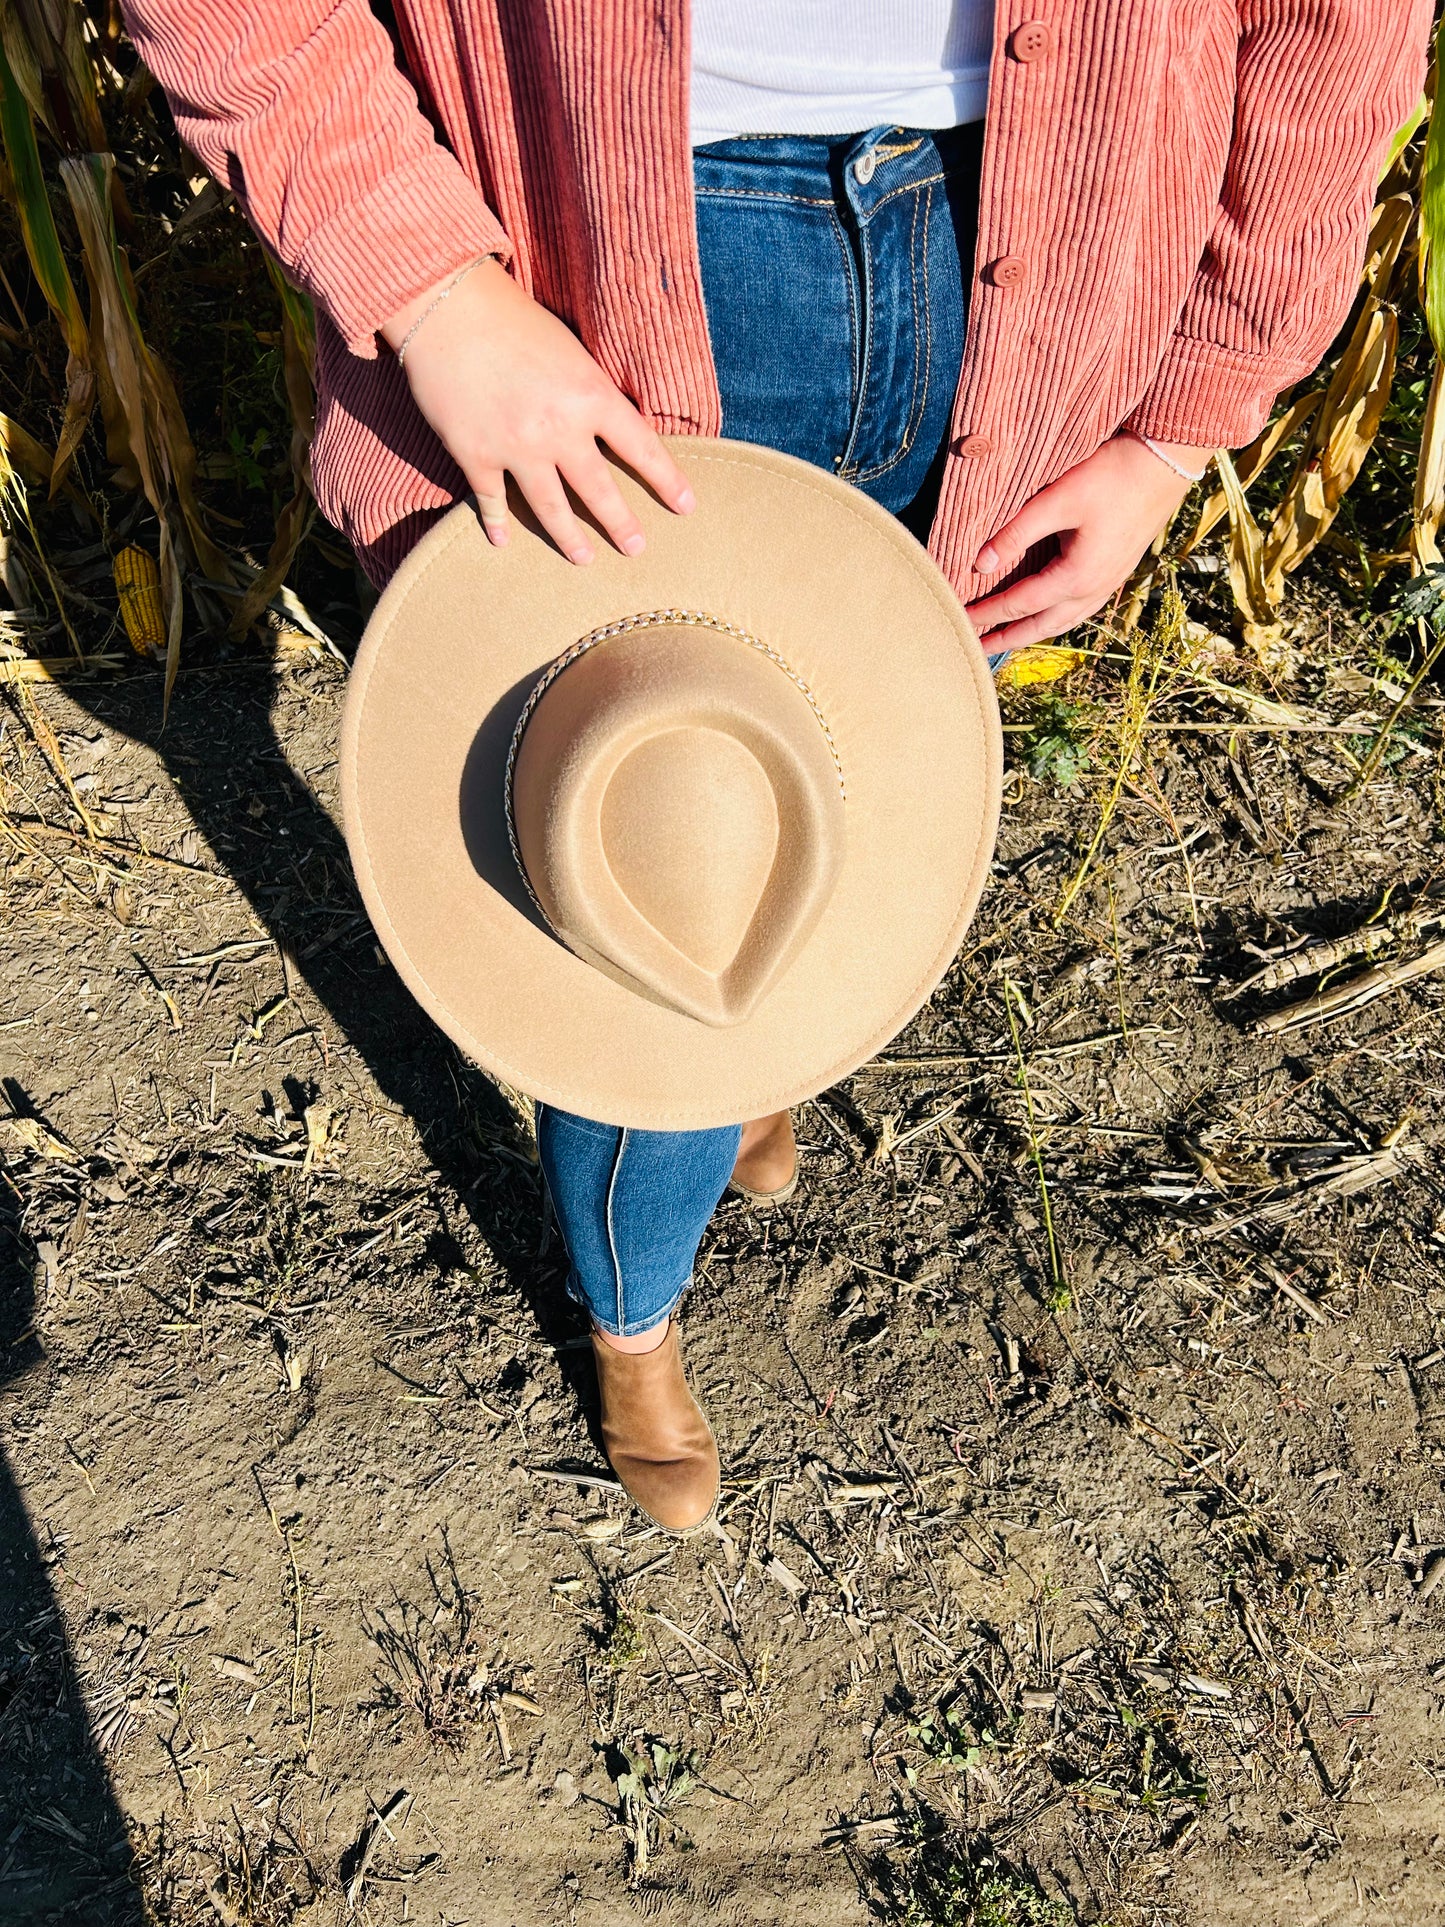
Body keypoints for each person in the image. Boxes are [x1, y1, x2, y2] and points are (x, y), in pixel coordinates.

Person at [125, 0, 1430, 1528]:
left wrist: (1175, 421)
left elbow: (1337, 25)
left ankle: (741, 1038)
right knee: (626, 873)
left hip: (1045, 247)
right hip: (577, 258)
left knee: (793, 808)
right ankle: (633, 1319)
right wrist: (431, 287)